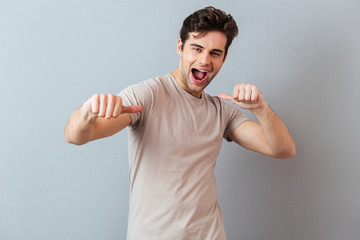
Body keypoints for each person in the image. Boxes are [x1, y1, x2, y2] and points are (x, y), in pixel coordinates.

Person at [65, 6, 295, 240]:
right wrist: (87, 112)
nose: (205, 60)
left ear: (224, 58)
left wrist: (260, 109)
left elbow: (283, 149)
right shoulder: (148, 95)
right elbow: (76, 136)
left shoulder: (222, 111)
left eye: (215, 53)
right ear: (180, 48)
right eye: (197, 49)